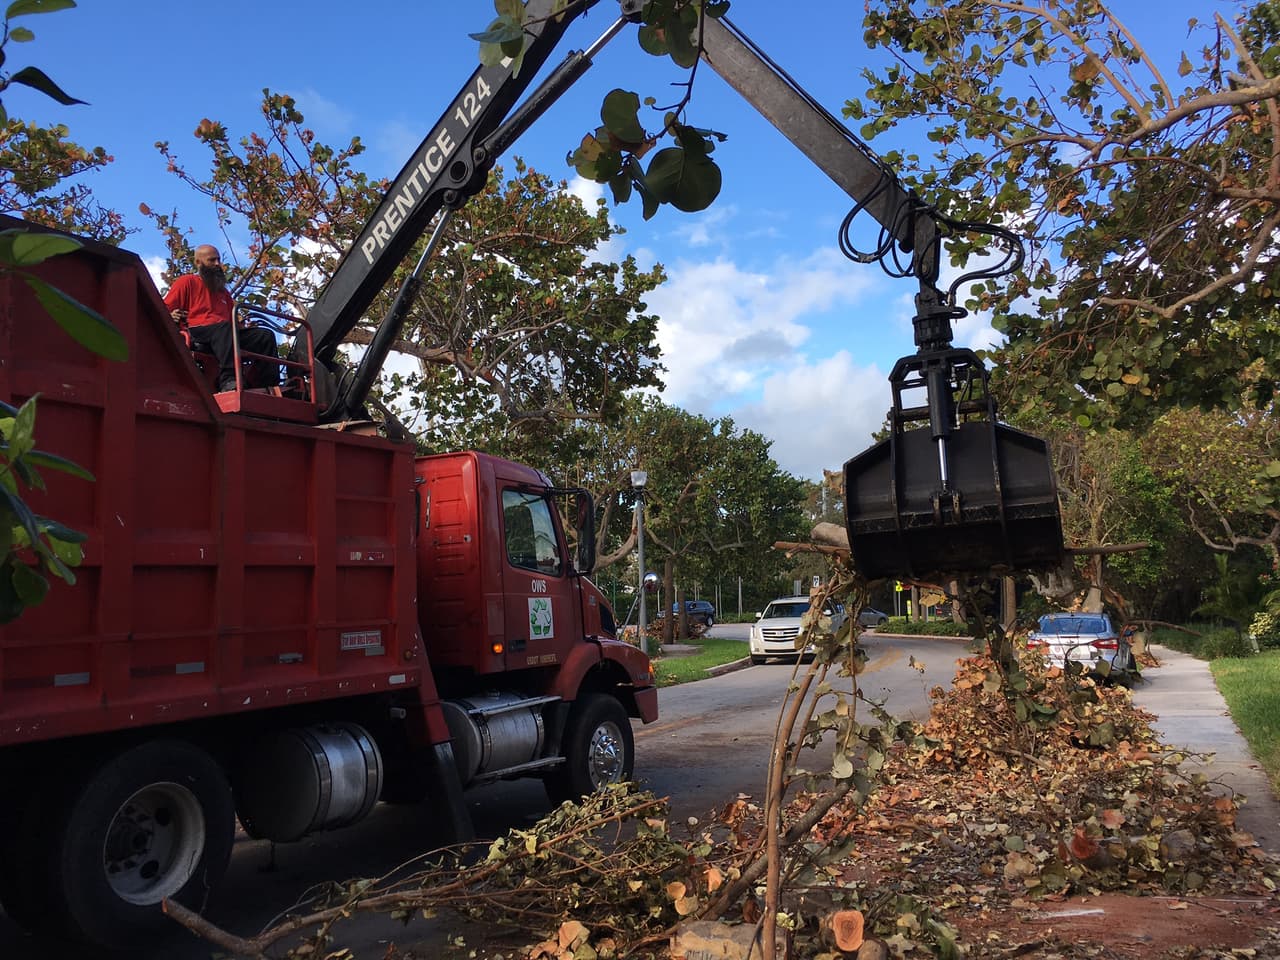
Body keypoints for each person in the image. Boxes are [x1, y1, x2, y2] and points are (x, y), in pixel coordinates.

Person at [164, 245, 279, 392]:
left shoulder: (223, 293)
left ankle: (269, 385)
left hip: (224, 333)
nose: (218, 264)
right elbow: (164, 309)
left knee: (264, 336)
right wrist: (172, 315)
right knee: (223, 328)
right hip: (198, 332)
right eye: (212, 260)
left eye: (218, 259)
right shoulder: (187, 282)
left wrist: (247, 332)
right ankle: (229, 379)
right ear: (198, 263)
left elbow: (234, 324)